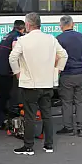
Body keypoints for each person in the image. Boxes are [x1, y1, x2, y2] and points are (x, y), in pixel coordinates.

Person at [9, 12, 68, 155]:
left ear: (28, 25)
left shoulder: (23, 40)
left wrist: (18, 73)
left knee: (30, 116)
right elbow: (64, 55)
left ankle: (28, 146)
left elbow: (12, 58)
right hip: (47, 84)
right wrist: (57, 71)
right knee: (47, 115)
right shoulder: (51, 39)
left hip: (30, 85)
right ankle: (49, 145)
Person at [56, 15, 82, 137]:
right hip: (81, 73)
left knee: (67, 102)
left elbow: (57, 58)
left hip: (67, 74)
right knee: (80, 101)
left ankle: (69, 128)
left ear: (61, 26)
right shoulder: (81, 36)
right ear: (73, 24)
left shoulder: (59, 39)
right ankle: (81, 128)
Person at [0, 20, 25, 130]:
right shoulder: (17, 37)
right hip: (5, 71)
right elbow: (15, 52)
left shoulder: (9, 35)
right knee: (4, 96)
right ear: (22, 28)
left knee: (2, 96)